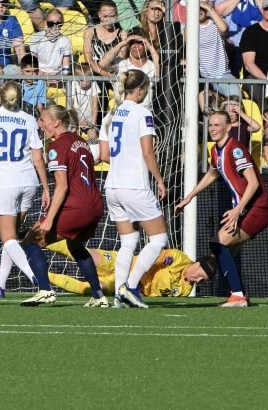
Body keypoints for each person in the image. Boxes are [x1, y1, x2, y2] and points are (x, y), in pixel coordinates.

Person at [176, 111, 268, 307]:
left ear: (229, 127)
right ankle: (236, 293)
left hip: (256, 209)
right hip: (246, 209)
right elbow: (212, 174)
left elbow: (253, 183)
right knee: (222, 250)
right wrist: (190, 196)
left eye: (217, 125)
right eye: (211, 125)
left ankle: (237, 295)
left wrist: (237, 210)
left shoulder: (236, 150)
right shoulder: (215, 150)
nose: (212, 128)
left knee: (217, 243)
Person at [19, 105, 107, 307]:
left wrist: (49, 218)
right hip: (95, 205)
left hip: (76, 206)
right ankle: (98, 295)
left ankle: (45, 290)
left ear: (56, 123)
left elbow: (63, 185)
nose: (40, 125)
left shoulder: (57, 146)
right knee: (74, 245)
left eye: (42, 120)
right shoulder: (81, 142)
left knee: (31, 240)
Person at [98, 69, 168, 309]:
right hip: (134, 185)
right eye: (146, 89)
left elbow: (104, 154)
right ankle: (131, 285)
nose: (147, 93)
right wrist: (159, 179)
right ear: (140, 90)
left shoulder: (111, 114)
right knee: (159, 238)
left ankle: (119, 295)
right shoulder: (142, 113)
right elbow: (148, 152)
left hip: (112, 186)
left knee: (128, 241)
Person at [0, 81, 50, 304]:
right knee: (13, 237)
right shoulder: (29, 119)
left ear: (0, 97)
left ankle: (39, 282)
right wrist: (46, 188)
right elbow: (38, 158)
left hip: (5, 182)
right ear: (20, 97)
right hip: (29, 182)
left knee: (8, 239)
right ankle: (0, 285)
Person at [44, 240, 214, 298]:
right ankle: (40, 240)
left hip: (130, 287)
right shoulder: (177, 259)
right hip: (126, 263)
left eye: (202, 280)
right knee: (91, 258)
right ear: (197, 264)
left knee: (93, 289)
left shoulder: (185, 290)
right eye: (200, 275)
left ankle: (41, 275)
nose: (197, 281)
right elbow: (150, 258)